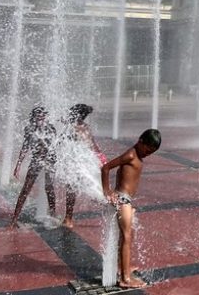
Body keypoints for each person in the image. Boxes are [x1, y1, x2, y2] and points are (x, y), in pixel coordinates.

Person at [101, 129, 161, 289]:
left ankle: (123, 268)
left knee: (127, 236)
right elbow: (105, 168)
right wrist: (107, 191)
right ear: (140, 141)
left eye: (152, 153)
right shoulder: (131, 155)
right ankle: (125, 279)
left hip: (126, 200)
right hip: (122, 200)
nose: (148, 154)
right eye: (148, 150)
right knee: (127, 237)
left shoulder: (137, 155)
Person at [9, 106, 57, 228]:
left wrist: (56, 164)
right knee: (26, 189)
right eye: (38, 116)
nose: (40, 118)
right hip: (36, 161)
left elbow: (55, 148)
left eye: (42, 116)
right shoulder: (30, 130)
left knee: (50, 189)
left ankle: (53, 215)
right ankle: (14, 220)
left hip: (48, 161)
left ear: (45, 117)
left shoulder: (51, 128)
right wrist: (18, 165)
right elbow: (25, 148)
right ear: (34, 118)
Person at [62, 103, 106, 228]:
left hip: (78, 162)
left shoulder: (74, 127)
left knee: (73, 189)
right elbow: (92, 144)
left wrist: (99, 155)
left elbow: (90, 143)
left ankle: (68, 218)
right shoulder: (83, 127)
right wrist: (99, 155)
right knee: (76, 188)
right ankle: (68, 218)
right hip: (80, 161)